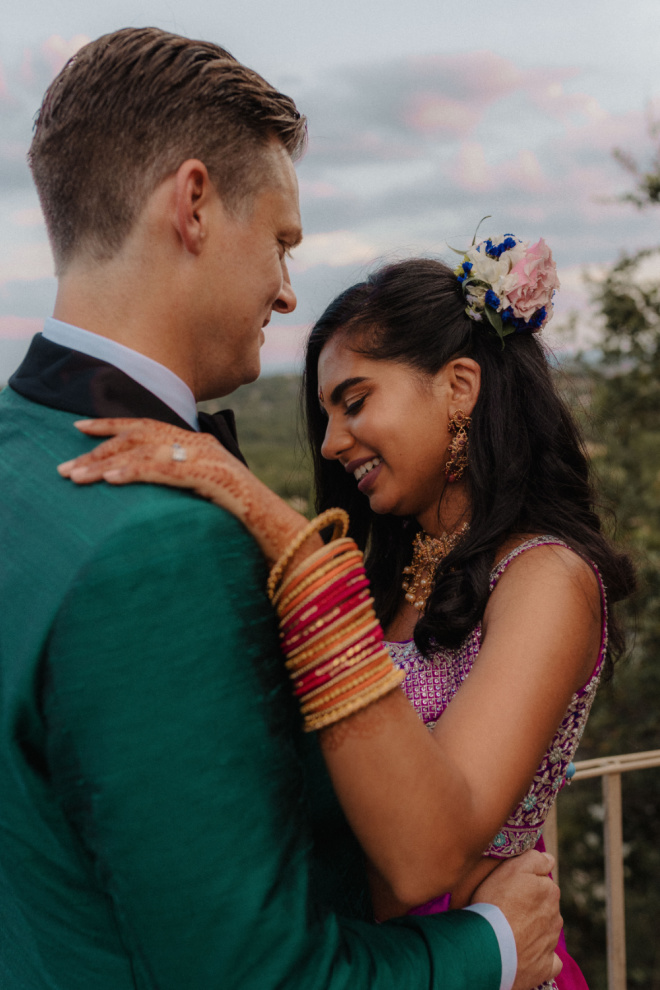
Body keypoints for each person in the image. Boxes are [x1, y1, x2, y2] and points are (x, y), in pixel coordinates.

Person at [0, 26, 562, 990]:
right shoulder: (162, 544)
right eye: (281, 240)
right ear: (194, 204)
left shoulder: (20, 452)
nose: (287, 288)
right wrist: (495, 945)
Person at [61, 239, 634, 989]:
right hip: (353, 956)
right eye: (325, 414)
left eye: (355, 402)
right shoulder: (386, 575)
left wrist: (264, 515)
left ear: (460, 386)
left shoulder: (546, 578)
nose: (331, 444)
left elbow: (425, 850)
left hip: (480, 960)